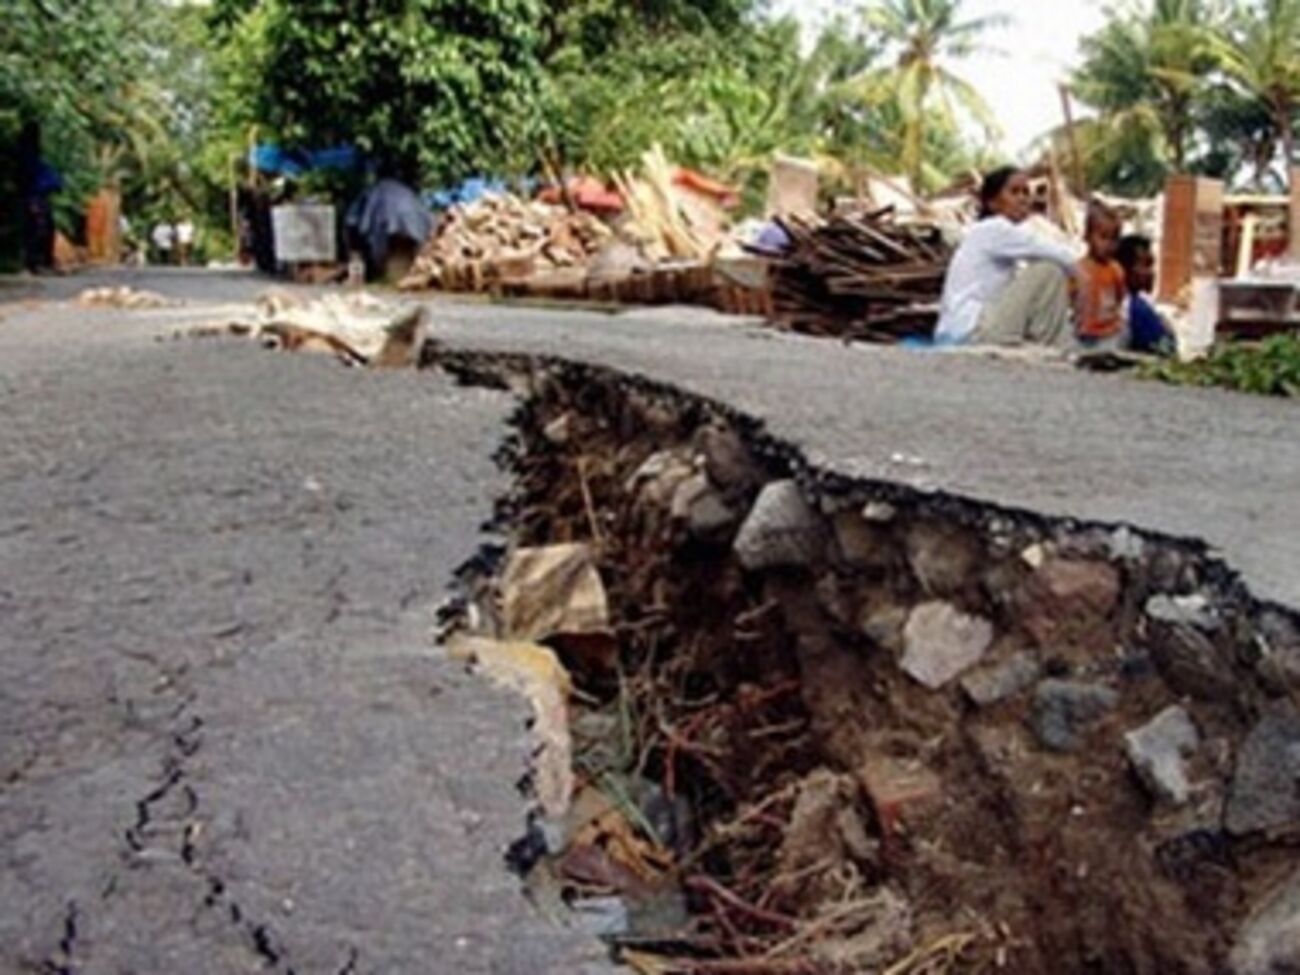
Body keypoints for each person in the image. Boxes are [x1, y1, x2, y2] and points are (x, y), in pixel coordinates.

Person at [936, 166, 1079, 347]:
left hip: (963, 327)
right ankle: (1048, 344)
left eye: (1026, 192)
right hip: (971, 327)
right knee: (1049, 271)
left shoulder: (990, 234)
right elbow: (1056, 253)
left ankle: (1047, 342)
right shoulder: (995, 228)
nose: (1023, 198)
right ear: (993, 203)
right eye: (1014, 192)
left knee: (1048, 274)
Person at [1073, 202, 1128, 349]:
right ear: (1087, 236)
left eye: (1114, 239)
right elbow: (1070, 298)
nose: (1109, 245)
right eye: (1103, 237)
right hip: (1084, 331)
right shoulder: (1079, 268)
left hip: (1109, 331)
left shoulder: (1116, 270)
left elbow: (1120, 297)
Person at [1116, 234, 1174, 355]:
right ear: (1125, 269)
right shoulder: (1136, 309)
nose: (1151, 273)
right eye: (1146, 265)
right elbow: (1166, 350)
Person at [18, 121, 62, 274]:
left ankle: (37, 262)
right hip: (34, 196)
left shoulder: (28, 154)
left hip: (34, 195)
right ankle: (37, 262)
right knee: (39, 229)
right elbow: (28, 177)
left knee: (39, 229)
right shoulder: (28, 155)